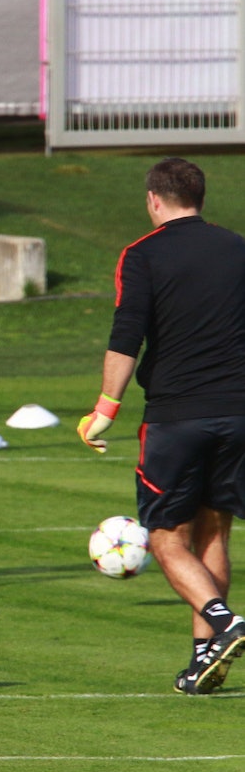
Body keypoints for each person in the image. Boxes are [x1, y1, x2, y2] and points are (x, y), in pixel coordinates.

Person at [77, 157, 245, 694]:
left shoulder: (142, 255)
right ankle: (205, 658)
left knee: (167, 538)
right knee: (215, 527)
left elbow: (127, 335)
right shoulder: (238, 248)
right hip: (239, 413)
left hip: (176, 417)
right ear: (200, 197)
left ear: (154, 199)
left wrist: (105, 409)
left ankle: (226, 623)